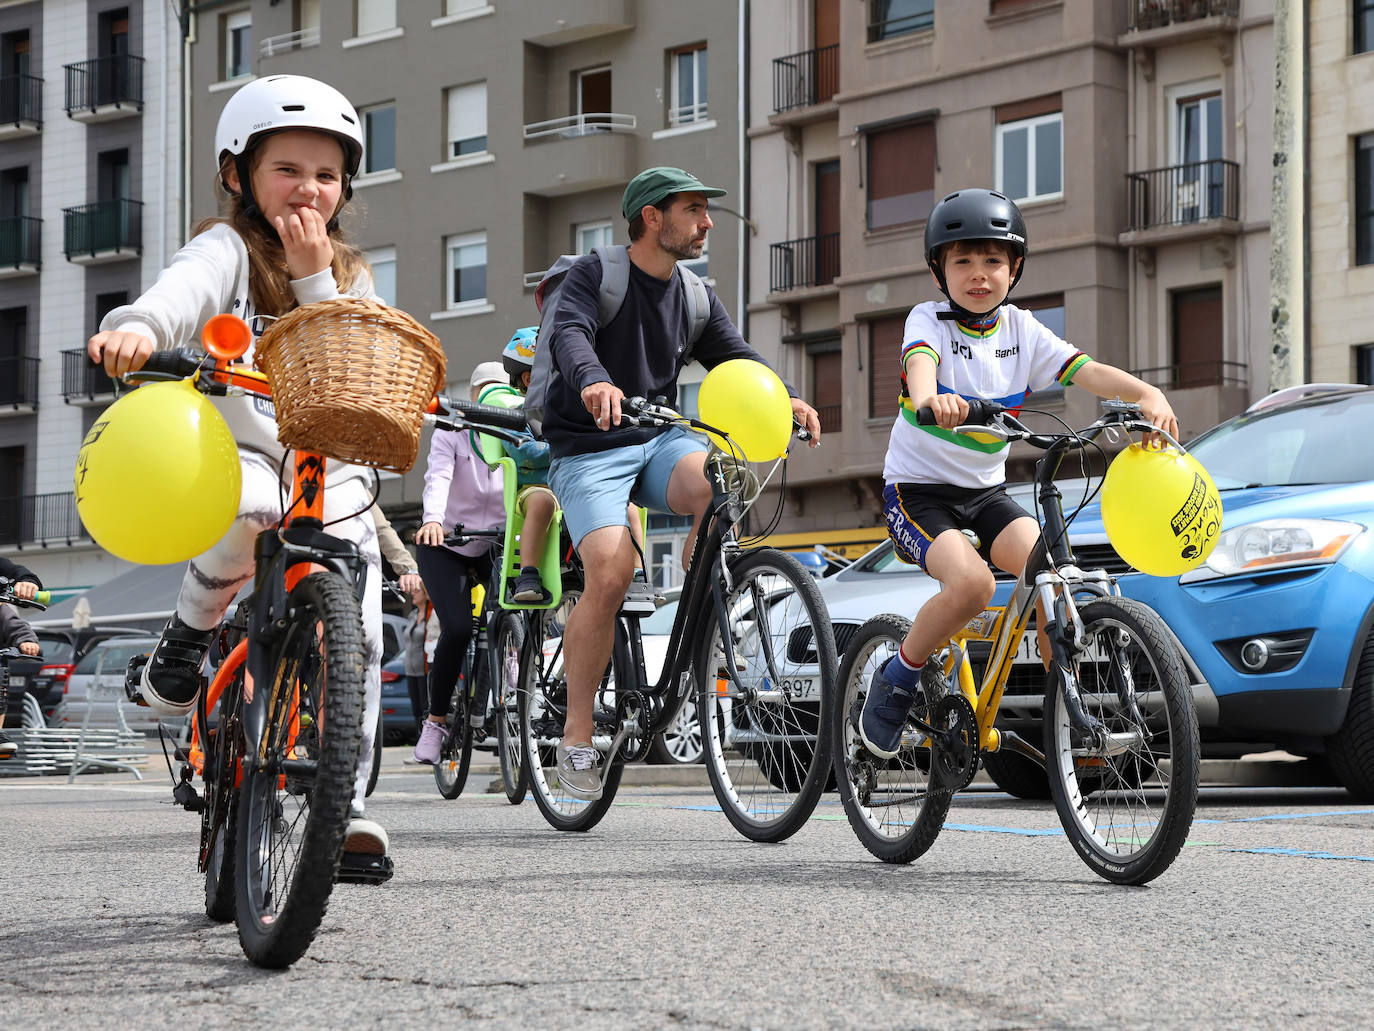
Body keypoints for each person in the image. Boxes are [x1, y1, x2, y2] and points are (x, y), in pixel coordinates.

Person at [86, 75, 393, 860]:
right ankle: (190, 634)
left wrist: (313, 274)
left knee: (358, 624)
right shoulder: (226, 248)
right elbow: (171, 297)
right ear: (238, 176)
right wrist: (134, 330)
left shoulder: (350, 273)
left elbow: (347, 352)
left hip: (326, 460)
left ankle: (342, 801)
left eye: (327, 175)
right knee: (252, 511)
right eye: (287, 169)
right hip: (244, 453)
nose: (309, 189)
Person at [858, 187, 1180, 759]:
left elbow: (1089, 371)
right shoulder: (926, 320)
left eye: (993, 262)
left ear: (1014, 269)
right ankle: (898, 676)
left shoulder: (1020, 329)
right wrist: (936, 401)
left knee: (1054, 573)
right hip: (917, 494)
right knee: (974, 585)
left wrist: (1146, 394)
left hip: (986, 492)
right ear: (940, 271)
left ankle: (1068, 708)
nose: (979, 275)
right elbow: (921, 368)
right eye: (963, 261)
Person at [540, 166, 822, 799]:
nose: (706, 222)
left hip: (658, 441)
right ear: (652, 218)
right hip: (587, 448)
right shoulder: (596, 273)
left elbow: (737, 356)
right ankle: (579, 735)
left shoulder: (694, 294)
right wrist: (594, 380)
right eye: (694, 209)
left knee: (722, 476)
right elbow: (569, 334)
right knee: (609, 576)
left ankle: (704, 580)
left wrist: (791, 399)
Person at [411, 362, 507, 765]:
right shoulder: (452, 429)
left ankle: (509, 670)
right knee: (456, 628)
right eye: (484, 393)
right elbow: (439, 476)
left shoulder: (515, 432)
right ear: (473, 395)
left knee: (511, 608)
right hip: (446, 541)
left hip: (495, 540)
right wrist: (432, 519)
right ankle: (435, 722)